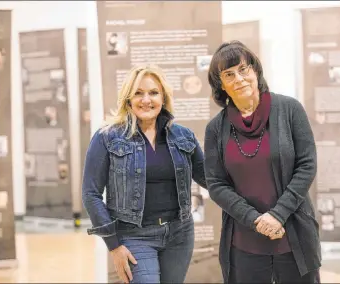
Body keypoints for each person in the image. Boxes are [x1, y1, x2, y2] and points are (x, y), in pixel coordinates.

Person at [204, 40, 321, 283]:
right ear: (221, 85)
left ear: (255, 71)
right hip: (244, 243)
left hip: (293, 236)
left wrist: (278, 215)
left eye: (243, 69)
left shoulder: (290, 109)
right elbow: (216, 184)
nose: (239, 78)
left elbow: (307, 165)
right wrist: (256, 220)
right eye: (229, 74)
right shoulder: (215, 128)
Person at [82, 64, 206, 283]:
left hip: (179, 234)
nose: (146, 100)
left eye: (153, 93)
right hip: (133, 235)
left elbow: (209, 178)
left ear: (164, 98)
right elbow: (91, 194)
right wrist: (114, 245)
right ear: (128, 99)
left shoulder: (183, 136)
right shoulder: (107, 137)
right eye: (138, 93)